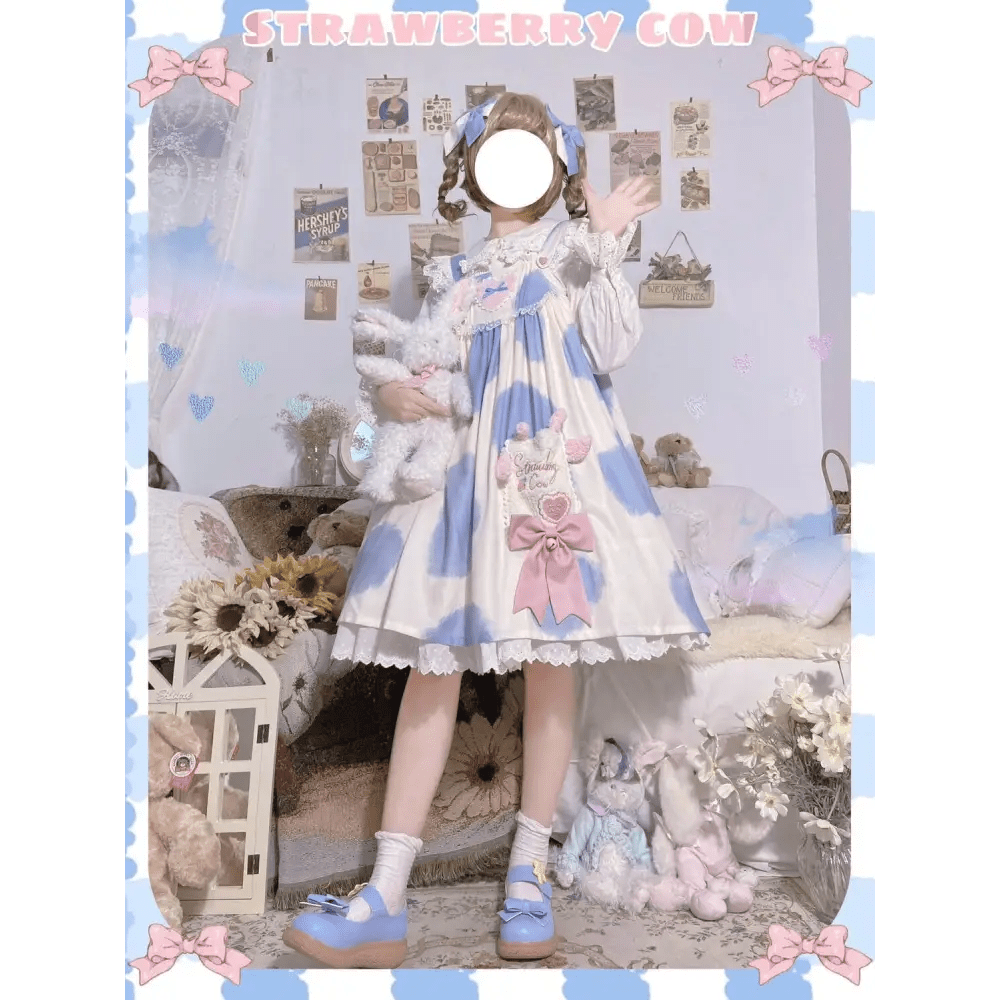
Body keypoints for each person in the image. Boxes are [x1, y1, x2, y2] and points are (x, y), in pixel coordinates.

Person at [284, 91, 709, 969]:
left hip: (547, 476)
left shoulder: (572, 250)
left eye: (532, 151)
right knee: (432, 669)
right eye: (498, 151)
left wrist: (604, 241)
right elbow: (428, 370)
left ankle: (527, 878)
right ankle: (384, 896)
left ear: (557, 169)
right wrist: (392, 391)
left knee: (552, 664)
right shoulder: (452, 276)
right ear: (471, 172)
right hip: (458, 489)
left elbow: (609, 347)